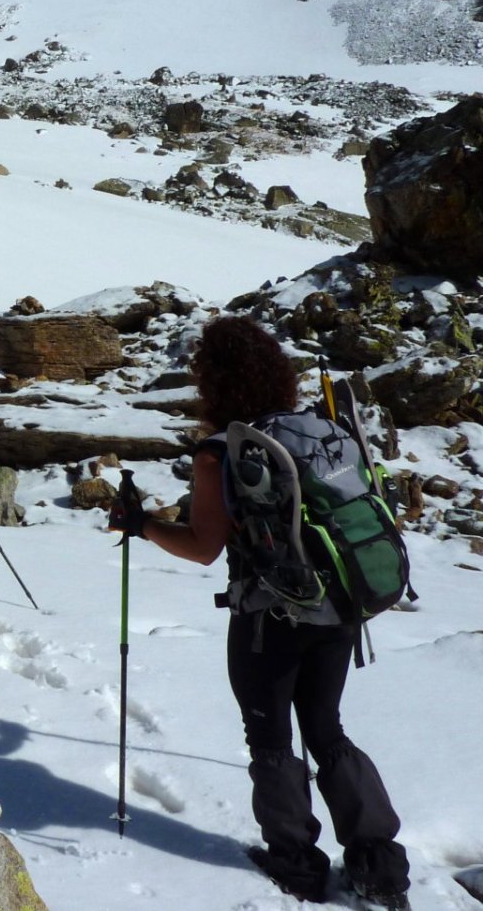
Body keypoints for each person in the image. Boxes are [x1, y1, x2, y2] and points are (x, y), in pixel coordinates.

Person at [110, 316, 409, 909]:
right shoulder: (322, 430)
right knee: (327, 729)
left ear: (214, 384)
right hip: (340, 608)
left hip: (268, 620)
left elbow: (202, 547)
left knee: (270, 737)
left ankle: (294, 863)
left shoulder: (223, 450)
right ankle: (378, 863)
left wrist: (139, 524)